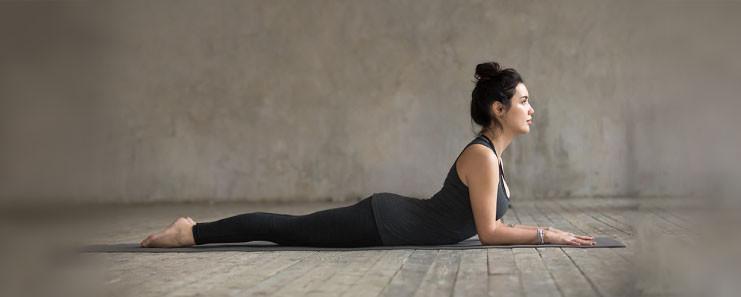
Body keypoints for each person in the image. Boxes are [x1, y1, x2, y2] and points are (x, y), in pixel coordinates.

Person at [140, 61, 595, 248]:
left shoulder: (493, 157)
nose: (532, 110)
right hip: (383, 221)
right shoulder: (482, 157)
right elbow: (489, 232)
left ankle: (193, 231)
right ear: (499, 109)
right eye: (523, 101)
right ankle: (191, 232)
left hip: (392, 221)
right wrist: (547, 234)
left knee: (289, 231)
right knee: (287, 230)